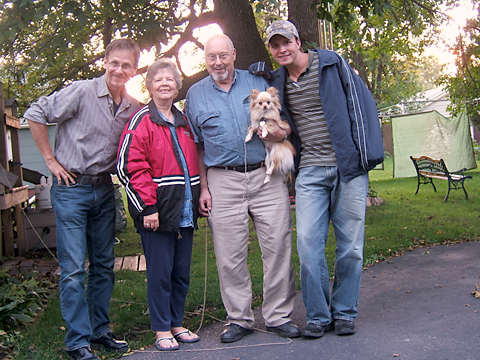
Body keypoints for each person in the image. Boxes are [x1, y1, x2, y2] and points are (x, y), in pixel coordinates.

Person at [250, 20, 384, 338]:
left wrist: (366, 153)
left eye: (286, 42)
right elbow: (279, 119)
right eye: (275, 45)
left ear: (298, 42)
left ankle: (345, 313)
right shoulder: (278, 81)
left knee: (350, 246)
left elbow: (359, 104)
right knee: (309, 244)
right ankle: (318, 316)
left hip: (348, 167)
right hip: (310, 170)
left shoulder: (330, 63)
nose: (281, 49)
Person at [24, 38, 141, 360]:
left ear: (134, 70)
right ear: (105, 62)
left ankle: (98, 330)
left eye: (126, 65)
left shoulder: (132, 107)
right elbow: (35, 112)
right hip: (71, 189)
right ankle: (77, 341)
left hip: (104, 190)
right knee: (74, 267)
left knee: (104, 266)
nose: (119, 69)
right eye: (114, 62)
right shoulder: (81, 91)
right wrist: (49, 160)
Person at [185, 34, 300, 343]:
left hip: (266, 175)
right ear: (206, 60)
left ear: (234, 54)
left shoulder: (258, 81)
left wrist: (279, 132)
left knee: (278, 245)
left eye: (223, 55)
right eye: (212, 57)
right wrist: (204, 188)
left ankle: (278, 316)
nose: (218, 63)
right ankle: (239, 319)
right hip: (222, 179)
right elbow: (196, 146)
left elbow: (287, 123)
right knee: (229, 254)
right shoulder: (195, 95)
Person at [117, 58, 200, 351]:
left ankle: (176, 323)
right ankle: (161, 329)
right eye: (158, 80)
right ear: (150, 85)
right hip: (157, 210)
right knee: (160, 272)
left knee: (181, 271)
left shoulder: (184, 121)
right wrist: (147, 207)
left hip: (185, 208)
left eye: (170, 80)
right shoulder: (141, 120)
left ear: (178, 86)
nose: (165, 84)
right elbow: (129, 166)